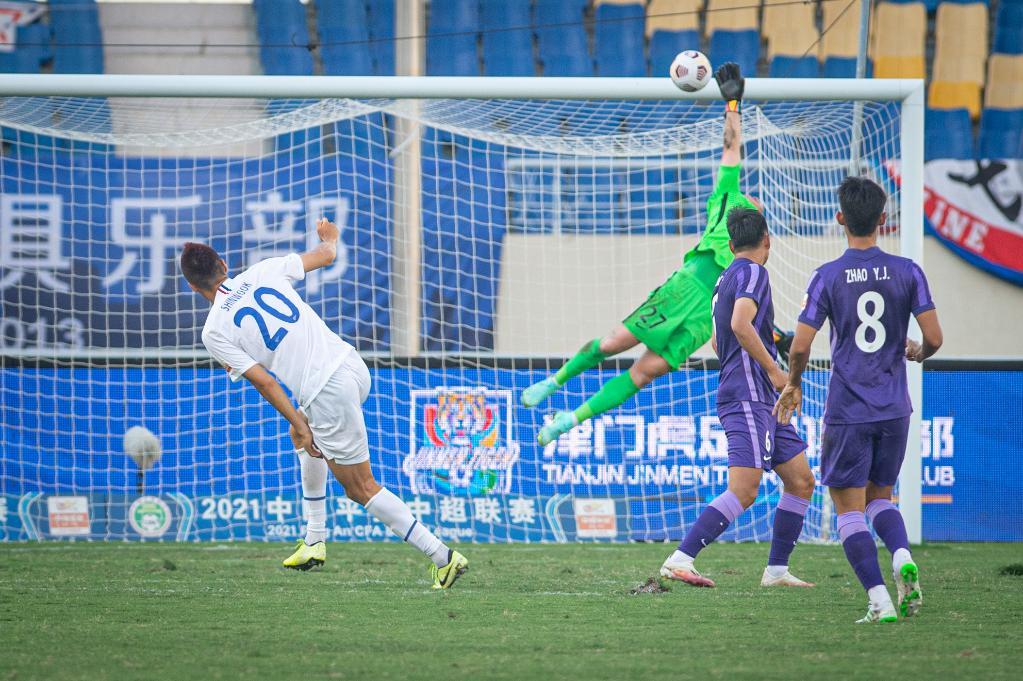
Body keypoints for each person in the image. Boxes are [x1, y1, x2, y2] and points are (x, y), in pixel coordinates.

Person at [180, 219, 468, 589]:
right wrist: (329, 237)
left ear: (192, 286)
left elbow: (265, 381)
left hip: (325, 390)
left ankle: (442, 557)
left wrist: (301, 422)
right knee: (300, 436)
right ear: (223, 264)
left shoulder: (214, 330)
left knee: (360, 487)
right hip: (351, 364)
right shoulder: (263, 270)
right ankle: (314, 540)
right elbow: (326, 254)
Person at [522, 63, 796, 445]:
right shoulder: (726, 198)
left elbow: (745, 300)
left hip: (706, 316)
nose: (757, 199)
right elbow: (731, 147)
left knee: (644, 373)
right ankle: (554, 382)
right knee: (613, 344)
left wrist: (775, 333)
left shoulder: (758, 244)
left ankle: (568, 421)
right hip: (685, 288)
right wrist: (732, 104)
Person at [774, 176, 943, 623]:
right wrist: (918, 352)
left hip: (849, 408)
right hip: (894, 407)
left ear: (840, 218)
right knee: (881, 497)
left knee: (848, 509)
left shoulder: (827, 276)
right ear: (884, 219)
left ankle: (880, 601)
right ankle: (901, 554)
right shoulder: (908, 270)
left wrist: (794, 382)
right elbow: (934, 338)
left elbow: (800, 346)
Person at [658, 207, 816, 589]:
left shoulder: (723, 279)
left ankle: (776, 571)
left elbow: (718, 340)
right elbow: (740, 324)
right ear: (767, 240)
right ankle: (680, 559)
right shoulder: (754, 272)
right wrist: (774, 371)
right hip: (749, 395)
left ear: (730, 245)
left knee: (801, 480)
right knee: (744, 489)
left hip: (758, 396)